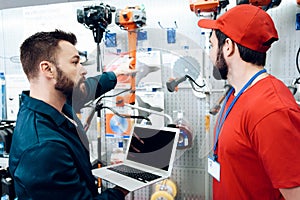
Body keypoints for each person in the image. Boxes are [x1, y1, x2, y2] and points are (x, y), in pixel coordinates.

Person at [9, 29, 134, 200]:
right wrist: (122, 189)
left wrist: (116, 74)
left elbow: (86, 89)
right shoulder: (44, 148)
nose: (83, 70)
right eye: (75, 63)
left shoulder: (52, 104)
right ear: (48, 69)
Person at [198, 4, 300, 200]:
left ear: (228, 47)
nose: (210, 54)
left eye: (211, 45)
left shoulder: (271, 110)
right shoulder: (236, 93)